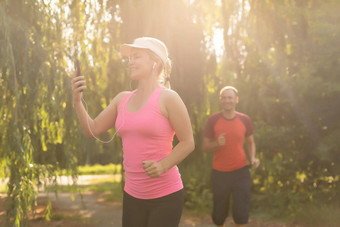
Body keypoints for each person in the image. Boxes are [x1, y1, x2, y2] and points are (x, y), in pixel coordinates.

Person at [72, 37, 195, 227]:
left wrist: (162, 165)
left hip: (166, 196)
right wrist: (77, 102)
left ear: (155, 62)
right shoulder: (122, 99)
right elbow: (92, 130)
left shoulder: (169, 98)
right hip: (132, 195)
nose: (130, 62)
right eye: (130, 58)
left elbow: (188, 142)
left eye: (136, 57)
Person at [202, 86, 260, 227]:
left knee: (241, 212)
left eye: (230, 98)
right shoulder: (213, 120)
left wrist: (253, 158)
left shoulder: (245, 119)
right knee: (219, 214)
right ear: (221, 100)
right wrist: (217, 143)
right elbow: (204, 147)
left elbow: (251, 142)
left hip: (241, 171)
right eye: (224, 98)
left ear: (236, 100)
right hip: (220, 173)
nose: (227, 100)